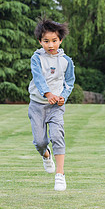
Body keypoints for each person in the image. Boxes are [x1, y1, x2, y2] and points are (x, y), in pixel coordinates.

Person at [28, 16, 75, 191]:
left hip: (56, 107)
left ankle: (60, 175)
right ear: (40, 41)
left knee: (57, 136)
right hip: (37, 105)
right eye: (46, 41)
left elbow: (69, 82)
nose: (50, 45)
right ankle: (46, 155)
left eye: (54, 41)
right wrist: (47, 93)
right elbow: (38, 78)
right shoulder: (36, 59)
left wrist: (63, 96)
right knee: (40, 141)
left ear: (60, 40)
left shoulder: (66, 61)